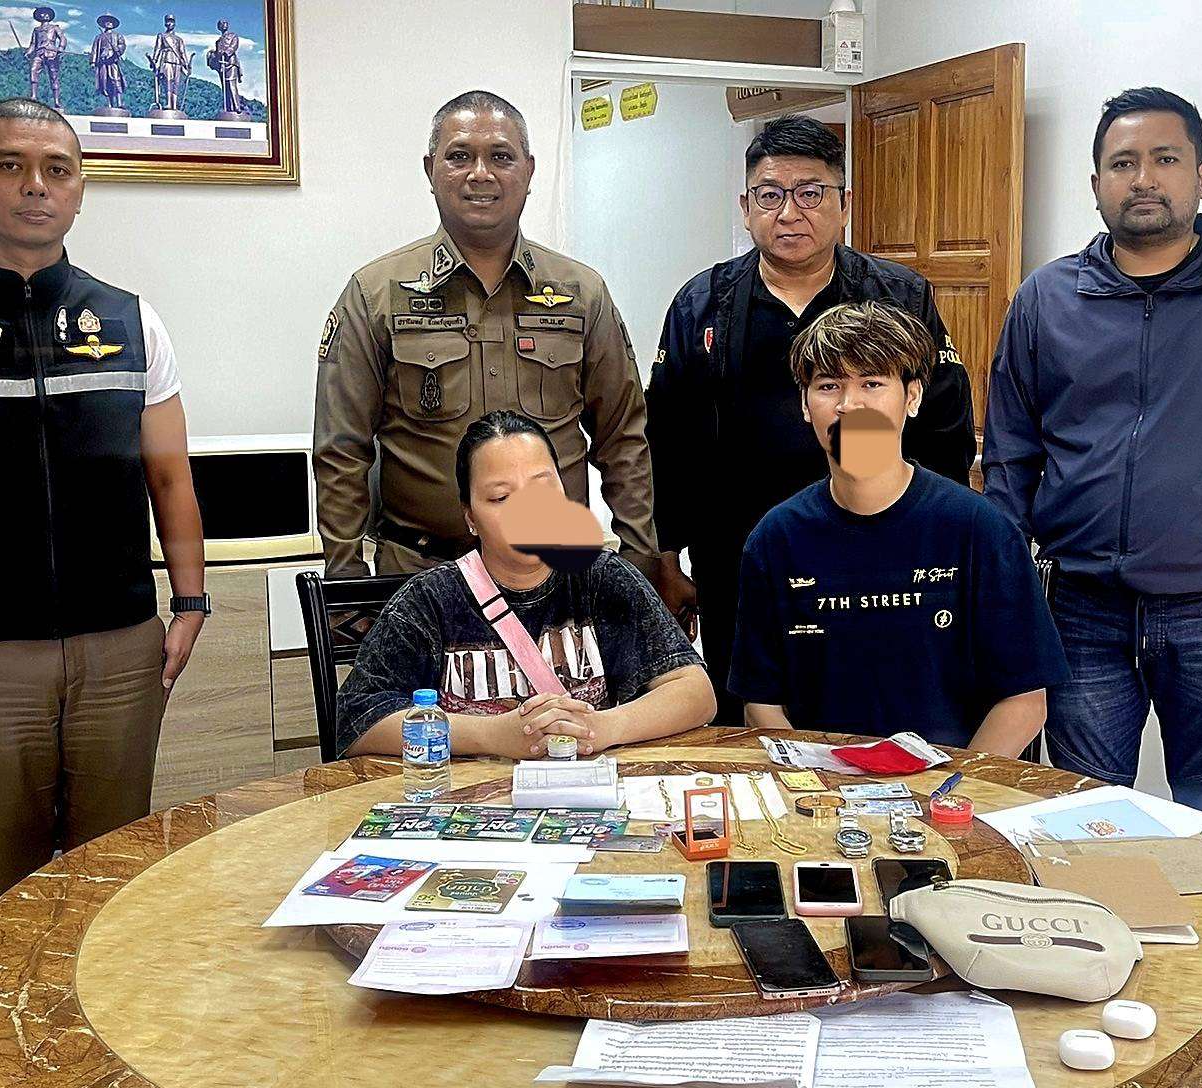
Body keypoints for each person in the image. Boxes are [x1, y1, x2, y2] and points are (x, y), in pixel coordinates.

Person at [982, 88, 1202, 839]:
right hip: (1079, 608)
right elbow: (1010, 462)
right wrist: (1005, 596)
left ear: (1201, 177)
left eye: (1165, 159)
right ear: (1096, 185)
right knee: (1080, 821)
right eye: (1123, 163)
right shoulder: (1046, 299)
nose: (1143, 178)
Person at [0, 99, 208, 918]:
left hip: (119, 646)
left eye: (57, 169)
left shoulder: (129, 319)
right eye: (10, 166)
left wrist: (191, 604)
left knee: (113, 876)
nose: (36, 186)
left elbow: (170, 477)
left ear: (80, 189)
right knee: (4, 888)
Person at [646, 115, 976, 724]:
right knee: (748, 711)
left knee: (870, 707)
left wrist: (939, 540)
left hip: (878, 549)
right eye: (770, 195)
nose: (789, 213)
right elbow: (668, 441)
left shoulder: (898, 296)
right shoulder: (703, 304)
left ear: (844, 204)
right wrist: (666, 558)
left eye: (810, 193)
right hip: (738, 553)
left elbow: (943, 430)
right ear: (746, 207)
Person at [315, 90, 657, 581]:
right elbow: (341, 452)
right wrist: (346, 583)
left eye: (501, 156)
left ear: (529, 171)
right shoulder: (377, 294)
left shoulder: (581, 294)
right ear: (431, 169)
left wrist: (638, 564)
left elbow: (624, 440)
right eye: (459, 156)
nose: (480, 173)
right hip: (421, 577)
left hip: (558, 576)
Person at [728, 302, 1067, 753]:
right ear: (805, 405)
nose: (849, 405)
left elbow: (1024, 700)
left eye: (871, 383)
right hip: (821, 786)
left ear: (913, 397)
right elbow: (761, 704)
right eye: (828, 386)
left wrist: (953, 785)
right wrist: (815, 783)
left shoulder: (979, 530)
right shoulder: (776, 539)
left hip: (951, 784)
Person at [335, 411, 714, 759]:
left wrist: (600, 727)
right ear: (470, 517)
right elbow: (357, 724)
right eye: (501, 497)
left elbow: (696, 692)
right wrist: (489, 735)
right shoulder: (431, 601)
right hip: (470, 803)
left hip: (587, 800)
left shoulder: (601, 578)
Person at [26, 7, 67, 111]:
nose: (46, 15)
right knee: (33, 71)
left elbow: (62, 38)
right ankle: (33, 96)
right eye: (43, 13)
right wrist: (28, 52)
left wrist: (61, 47)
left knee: (54, 76)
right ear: (40, 16)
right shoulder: (36, 30)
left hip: (51, 53)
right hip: (39, 53)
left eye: (48, 13)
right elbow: (33, 44)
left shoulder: (55, 28)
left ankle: (56, 101)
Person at [89, 14, 128, 112]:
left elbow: (122, 45)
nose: (108, 23)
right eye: (106, 21)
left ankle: (119, 103)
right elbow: (94, 50)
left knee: (116, 80)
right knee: (105, 82)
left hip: (113, 61)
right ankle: (110, 103)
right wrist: (93, 62)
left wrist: (118, 49)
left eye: (111, 21)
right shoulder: (99, 37)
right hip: (103, 62)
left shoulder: (118, 35)